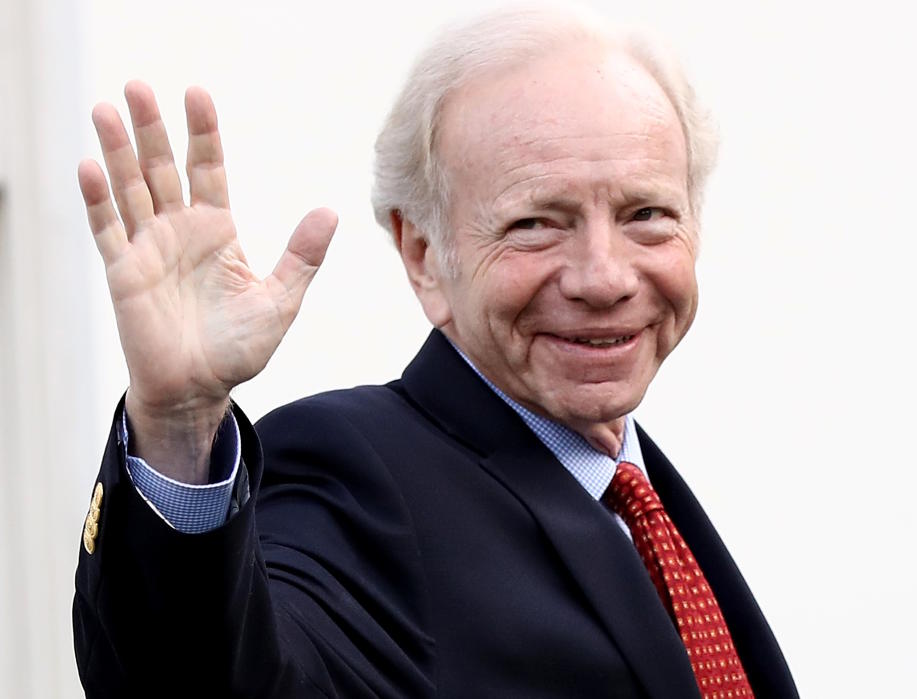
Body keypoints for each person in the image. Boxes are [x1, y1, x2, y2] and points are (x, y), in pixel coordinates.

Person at [71, 6, 799, 698]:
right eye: (537, 222)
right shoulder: (360, 475)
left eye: (647, 214)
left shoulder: (637, 495)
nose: (604, 277)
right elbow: (209, 679)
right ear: (424, 256)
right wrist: (180, 425)